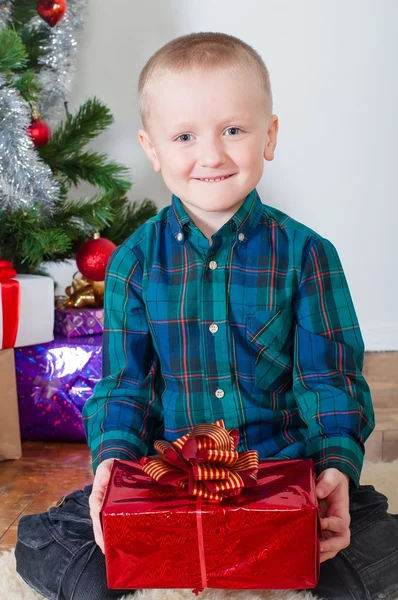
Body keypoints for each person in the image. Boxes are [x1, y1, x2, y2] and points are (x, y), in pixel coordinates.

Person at [15, 31, 398, 600]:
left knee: (356, 561)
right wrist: (112, 469)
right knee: (61, 552)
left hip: (284, 479)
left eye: (234, 130)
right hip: (171, 485)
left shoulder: (308, 255)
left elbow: (330, 380)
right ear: (154, 149)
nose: (212, 154)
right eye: (185, 136)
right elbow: (126, 388)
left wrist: (335, 470)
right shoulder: (133, 264)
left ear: (269, 136)